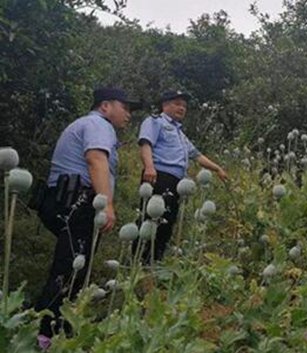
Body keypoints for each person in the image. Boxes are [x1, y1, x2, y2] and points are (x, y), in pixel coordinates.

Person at [34, 87, 140, 350]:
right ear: (105, 106)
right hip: (77, 201)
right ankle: (44, 335)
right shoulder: (98, 124)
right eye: (125, 107)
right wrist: (107, 205)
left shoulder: (88, 124)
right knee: (69, 268)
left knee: (72, 266)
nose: (129, 114)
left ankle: (57, 324)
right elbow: (95, 160)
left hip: (66, 199)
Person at [136, 90, 227, 262]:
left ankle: (153, 263)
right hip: (158, 177)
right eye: (177, 104)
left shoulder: (180, 134)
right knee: (149, 220)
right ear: (165, 105)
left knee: (167, 222)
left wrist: (218, 169)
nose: (182, 108)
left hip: (177, 182)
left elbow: (197, 156)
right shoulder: (155, 122)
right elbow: (146, 143)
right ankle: (137, 261)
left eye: (184, 106)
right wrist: (149, 167)